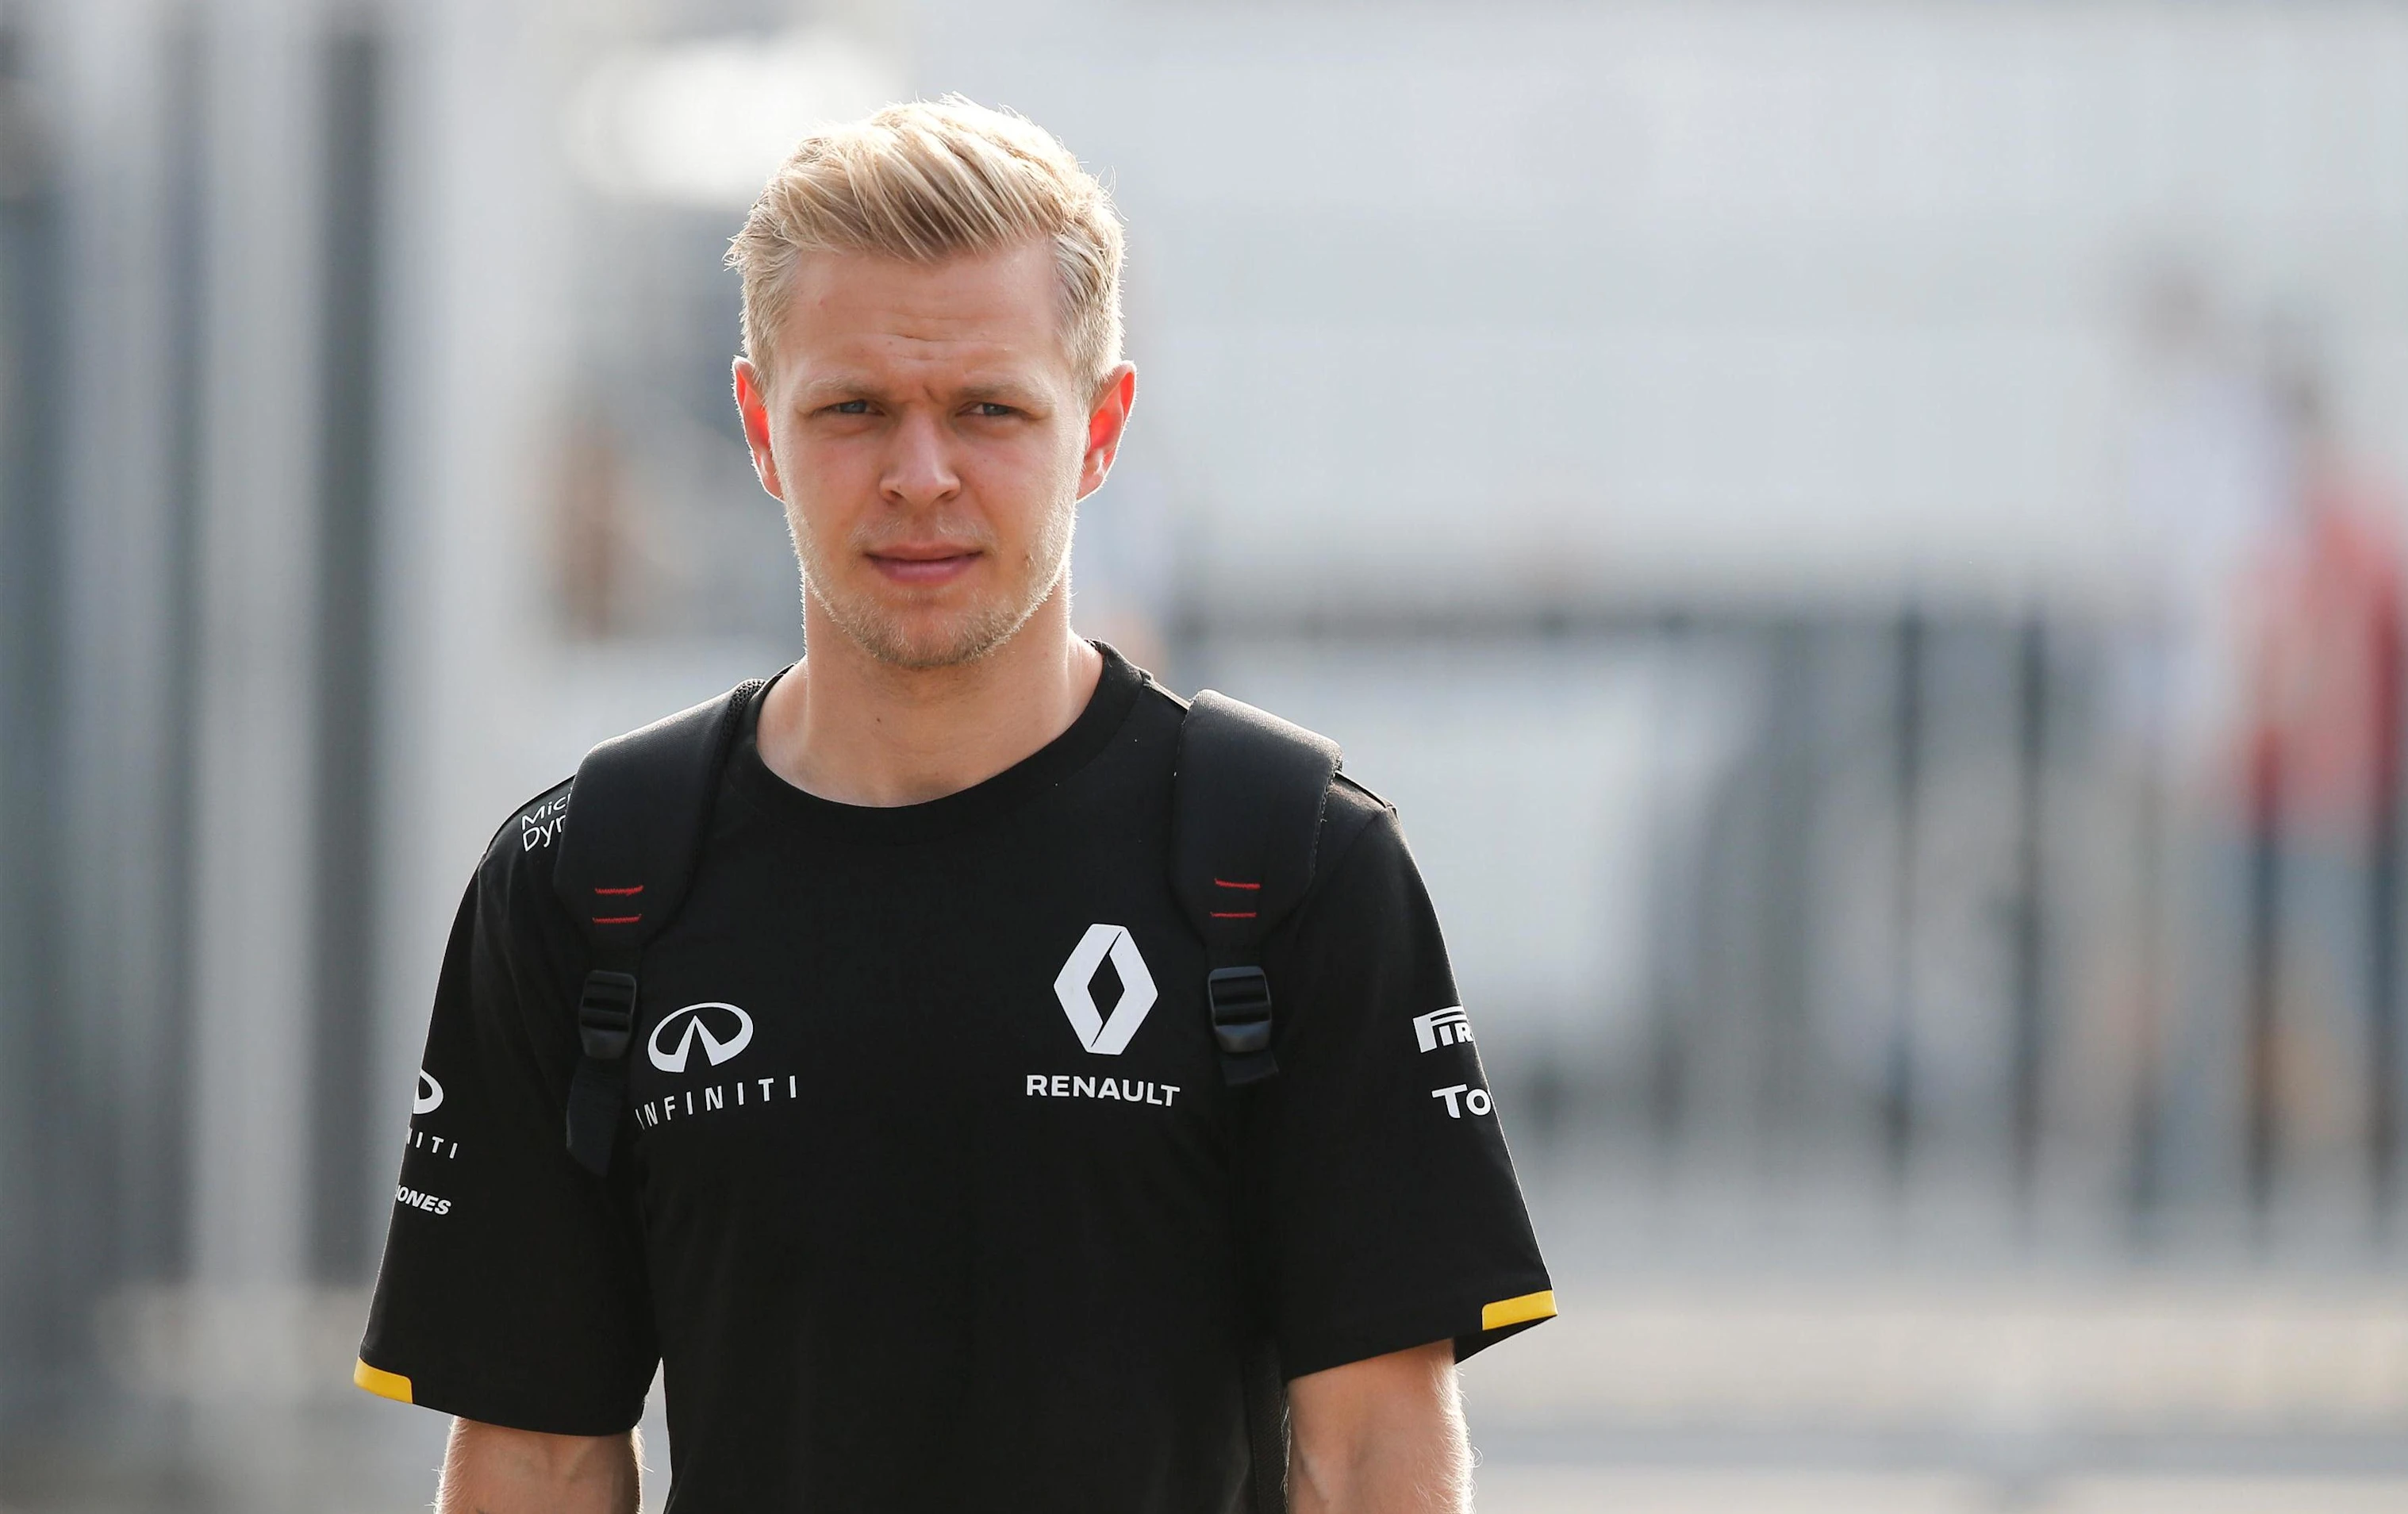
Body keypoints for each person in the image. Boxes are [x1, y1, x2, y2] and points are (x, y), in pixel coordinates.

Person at [355, 98, 1553, 1512]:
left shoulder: (1290, 861)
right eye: (854, 409)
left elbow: (1370, 1455)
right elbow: (539, 1458)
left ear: (1100, 429)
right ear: (760, 424)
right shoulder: (592, 877)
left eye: (990, 409)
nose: (920, 478)